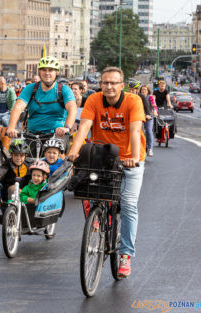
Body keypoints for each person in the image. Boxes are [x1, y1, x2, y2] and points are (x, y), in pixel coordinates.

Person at [68, 66, 146, 279]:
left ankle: (126, 255)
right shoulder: (94, 100)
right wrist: (73, 151)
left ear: (122, 85)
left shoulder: (133, 101)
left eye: (114, 83)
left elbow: (135, 130)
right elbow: (84, 127)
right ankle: (98, 219)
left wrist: (134, 158)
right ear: (100, 85)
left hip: (130, 158)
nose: (109, 86)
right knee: (90, 191)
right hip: (102, 155)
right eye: (105, 83)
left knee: (129, 204)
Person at [6, 56, 77, 140]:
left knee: (52, 151)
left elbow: (72, 109)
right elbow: (18, 107)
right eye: (44, 70)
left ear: (56, 72)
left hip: (57, 135)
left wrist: (66, 127)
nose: (47, 73)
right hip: (33, 135)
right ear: (39, 71)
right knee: (17, 150)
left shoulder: (64, 90)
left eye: (50, 70)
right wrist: (11, 127)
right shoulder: (30, 88)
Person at [128, 80, 153, 157]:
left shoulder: (141, 97)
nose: (131, 91)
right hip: (131, 118)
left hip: (142, 116)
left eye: (133, 89)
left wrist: (148, 114)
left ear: (137, 90)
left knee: (148, 131)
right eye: (130, 89)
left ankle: (149, 149)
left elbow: (147, 107)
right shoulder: (127, 96)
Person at [140, 85, 157, 157]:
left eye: (145, 90)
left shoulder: (150, 97)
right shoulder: (138, 97)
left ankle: (150, 149)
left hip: (149, 116)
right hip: (140, 116)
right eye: (142, 90)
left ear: (148, 91)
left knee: (149, 131)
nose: (143, 91)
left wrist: (155, 112)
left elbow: (154, 106)